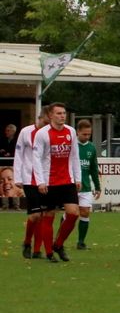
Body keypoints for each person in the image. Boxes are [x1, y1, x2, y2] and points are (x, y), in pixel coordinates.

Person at [33, 102, 82, 262]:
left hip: (67, 180)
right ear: (51, 116)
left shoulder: (71, 131)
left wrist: (78, 178)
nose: (62, 116)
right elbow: (37, 158)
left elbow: (75, 156)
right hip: (49, 181)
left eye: (64, 113)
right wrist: (40, 181)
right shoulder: (43, 134)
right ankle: (48, 253)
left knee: (74, 213)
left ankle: (58, 244)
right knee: (48, 215)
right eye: (59, 113)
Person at [14, 107, 49, 258]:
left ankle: (36, 250)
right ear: (40, 118)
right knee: (35, 215)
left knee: (43, 215)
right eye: (46, 121)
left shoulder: (50, 134)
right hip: (29, 178)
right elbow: (19, 154)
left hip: (46, 179)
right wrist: (18, 177)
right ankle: (27, 242)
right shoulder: (25, 132)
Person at [75, 119, 101, 250]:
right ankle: (60, 239)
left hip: (85, 186)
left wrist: (97, 187)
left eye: (88, 134)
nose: (86, 137)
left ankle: (81, 242)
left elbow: (93, 169)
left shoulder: (91, 147)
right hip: (71, 186)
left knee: (85, 212)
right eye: (84, 134)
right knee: (71, 214)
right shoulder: (72, 145)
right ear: (77, 132)